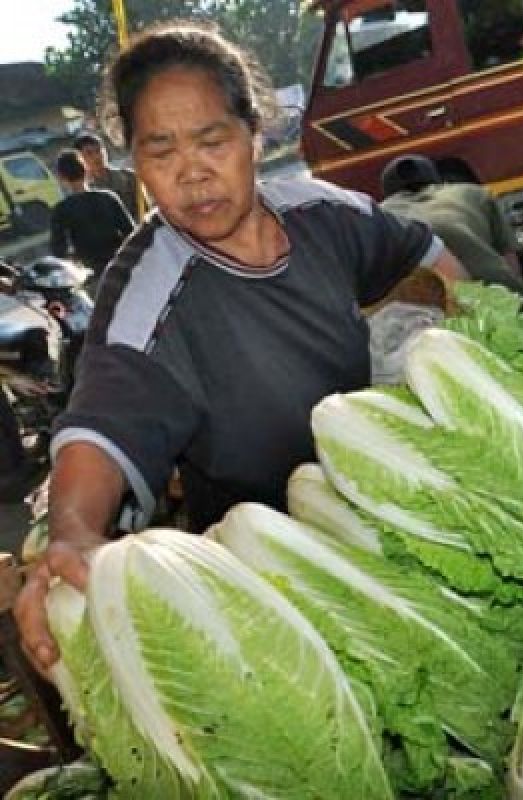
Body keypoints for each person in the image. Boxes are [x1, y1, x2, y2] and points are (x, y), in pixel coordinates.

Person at [15, 22, 465, 676]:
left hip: (408, 510)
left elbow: (433, 260)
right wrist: (74, 533)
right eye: (159, 150)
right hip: (286, 596)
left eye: (212, 139)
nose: (192, 172)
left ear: (254, 133)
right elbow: (101, 419)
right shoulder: (147, 287)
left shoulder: (322, 216)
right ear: (134, 164)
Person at [379, 155, 523, 295]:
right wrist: (516, 290)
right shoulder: (473, 192)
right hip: (496, 289)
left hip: (439, 303)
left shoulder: (382, 213)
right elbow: (509, 254)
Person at [49, 149, 134, 285]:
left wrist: (76, 258)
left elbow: (59, 251)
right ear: (86, 170)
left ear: (61, 177)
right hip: (123, 268)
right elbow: (131, 232)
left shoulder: (61, 210)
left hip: (94, 276)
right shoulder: (108, 197)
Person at [73, 131, 144, 220]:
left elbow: (146, 208)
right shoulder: (84, 191)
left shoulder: (129, 177)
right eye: (89, 153)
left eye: (99, 150)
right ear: (80, 158)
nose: (97, 156)